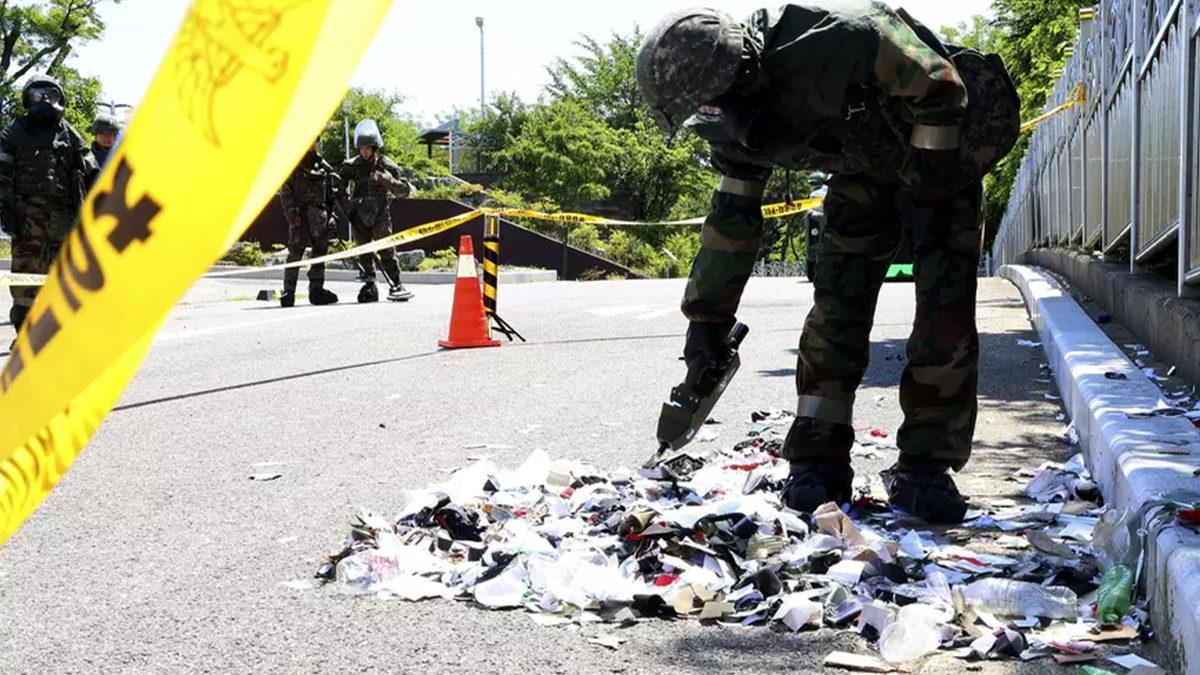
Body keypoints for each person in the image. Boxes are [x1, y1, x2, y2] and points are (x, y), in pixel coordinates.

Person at [636, 2, 1019, 523]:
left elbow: (942, 86)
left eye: (710, 106)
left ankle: (925, 467)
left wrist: (931, 190)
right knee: (836, 304)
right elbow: (732, 221)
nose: (710, 121)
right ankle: (818, 459)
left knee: (943, 308)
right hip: (862, 169)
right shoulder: (730, 120)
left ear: (741, 74)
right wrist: (706, 322)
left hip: (942, 146)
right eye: (699, 114)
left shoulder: (841, 38)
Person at [0, 74, 99, 332]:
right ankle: (25, 334)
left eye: (51, 95)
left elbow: (92, 169)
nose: (45, 100)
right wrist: (6, 209)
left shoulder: (67, 131)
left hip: (64, 222)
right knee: (25, 282)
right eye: (38, 95)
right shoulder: (16, 131)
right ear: (27, 98)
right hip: (26, 222)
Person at [338, 119, 414, 303]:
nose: (364, 152)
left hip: (380, 214)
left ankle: (396, 284)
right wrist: (347, 207)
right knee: (364, 251)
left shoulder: (385, 165)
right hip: (359, 216)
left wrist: (388, 181)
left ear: (374, 148)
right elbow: (338, 188)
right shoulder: (351, 166)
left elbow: (406, 190)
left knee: (386, 250)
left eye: (368, 148)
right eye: (361, 148)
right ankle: (369, 286)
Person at [277, 140, 340, 307]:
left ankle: (316, 290)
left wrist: (332, 217)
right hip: (300, 217)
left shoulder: (324, 167)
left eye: (314, 141)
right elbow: (286, 191)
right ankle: (289, 291)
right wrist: (290, 212)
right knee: (295, 253)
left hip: (320, 218)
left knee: (320, 254)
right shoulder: (293, 164)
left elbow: (331, 197)